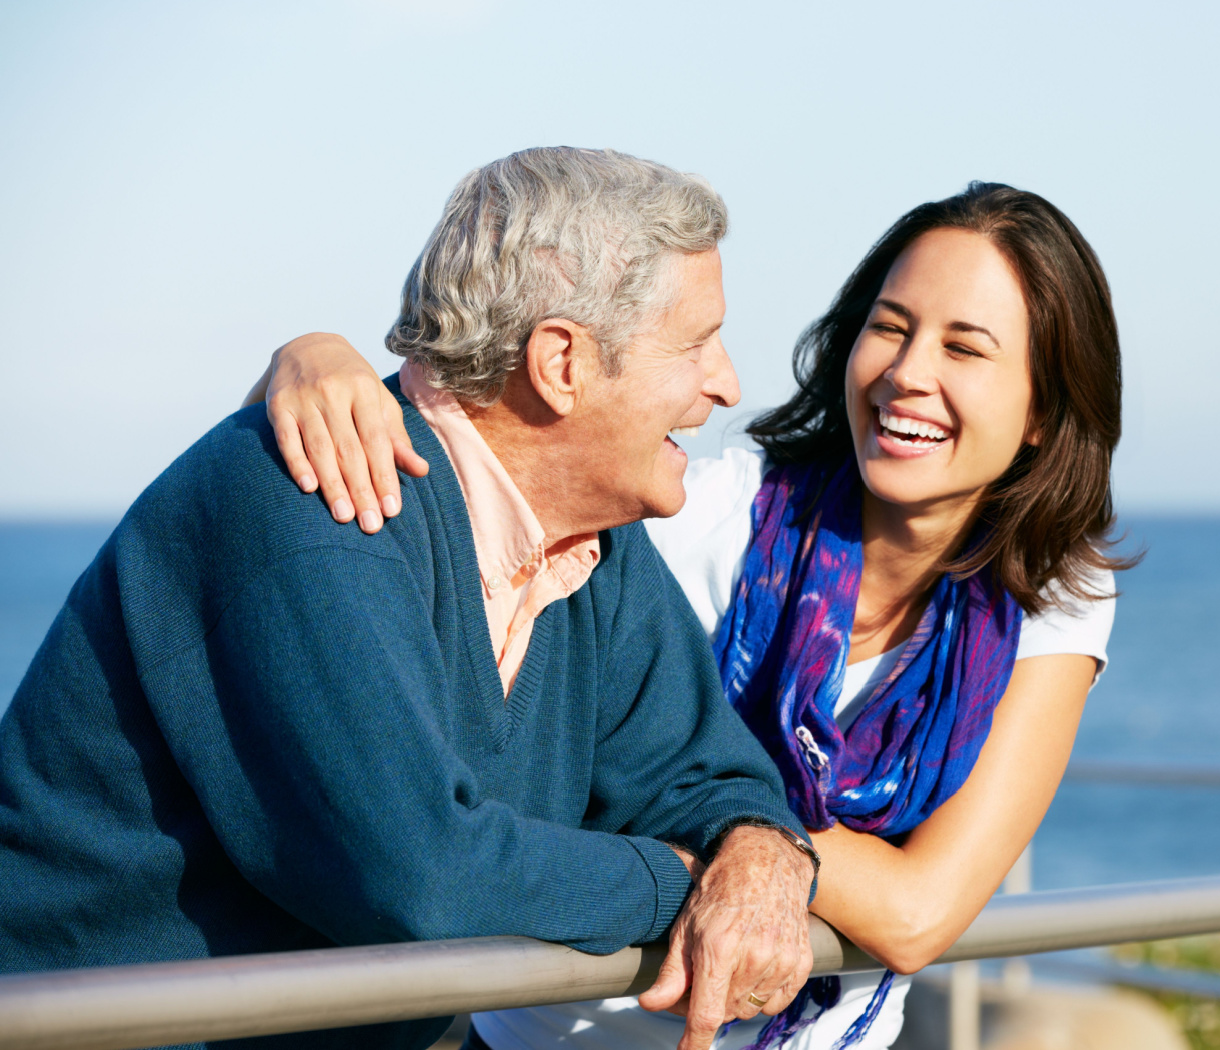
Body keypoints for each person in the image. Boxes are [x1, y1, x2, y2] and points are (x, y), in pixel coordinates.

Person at [259, 181, 1133, 1050]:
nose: (908, 373)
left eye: (966, 349)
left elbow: (917, 913)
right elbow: (478, 474)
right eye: (891, 327)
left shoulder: (1058, 597)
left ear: (1044, 413)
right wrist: (313, 356)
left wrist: (736, 836)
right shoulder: (700, 517)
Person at [0, 148, 821, 1050]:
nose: (728, 383)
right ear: (562, 363)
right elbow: (422, 877)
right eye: (696, 341)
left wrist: (757, 856)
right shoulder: (316, 501)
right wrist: (678, 881)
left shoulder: (596, 548)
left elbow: (709, 776)